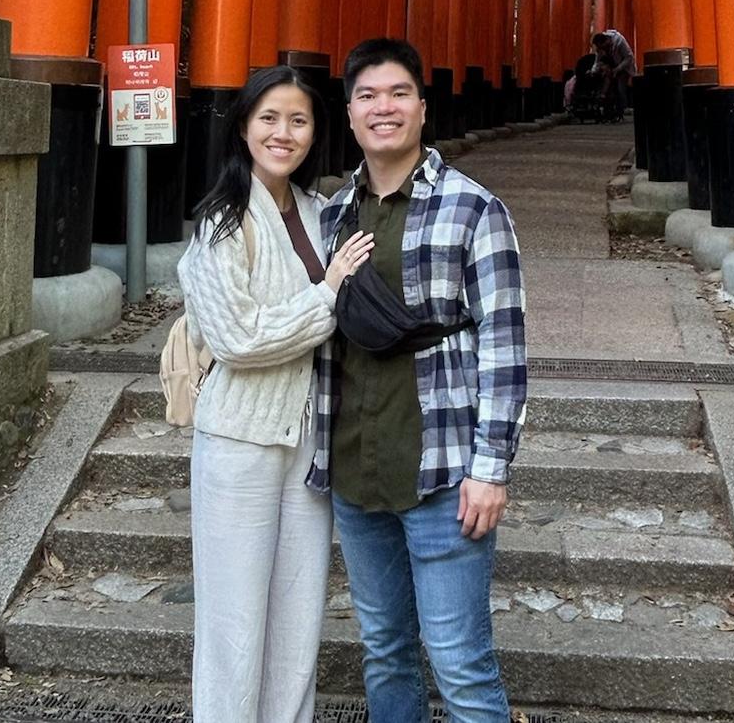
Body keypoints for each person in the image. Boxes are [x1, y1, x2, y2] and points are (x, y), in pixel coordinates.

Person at [307, 37, 528, 723]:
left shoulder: (473, 209)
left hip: (442, 467)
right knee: (384, 649)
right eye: (367, 96)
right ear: (348, 116)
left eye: (398, 93)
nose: (384, 108)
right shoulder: (331, 215)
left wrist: (491, 468)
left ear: (423, 109)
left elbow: (505, 344)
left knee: (461, 663)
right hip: (355, 465)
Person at [177, 65, 375, 723]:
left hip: (310, 440)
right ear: (242, 127)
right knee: (234, 627)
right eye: (269, 118)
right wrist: (327, 294)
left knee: (297, 621)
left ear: (315, 133)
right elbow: (237, 339)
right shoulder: (222, 224)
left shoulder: (321, 214)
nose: (283, 133)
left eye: (299, 120)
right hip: (239, 441)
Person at [595, 28, 634, 122]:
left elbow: (629, 57)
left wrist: (618, 68)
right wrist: (594, 70)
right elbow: (597, 60)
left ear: (607, 41)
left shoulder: (620, 41)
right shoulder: (601, 47)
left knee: (620, 88)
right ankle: (610, 111)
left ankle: (621, 111)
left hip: (623, 66)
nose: (603, 49)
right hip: (611, 66)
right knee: (610, 89)